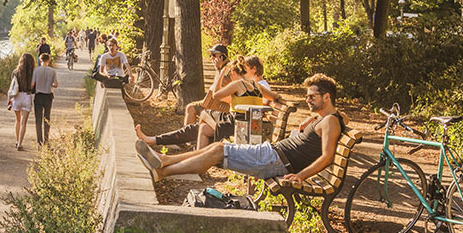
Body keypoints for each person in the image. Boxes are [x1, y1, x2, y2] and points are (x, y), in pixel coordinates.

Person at [137, 74, 344, 184]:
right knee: (217, 145)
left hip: (276, 160)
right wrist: (312, 118)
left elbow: (326, 157)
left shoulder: (330, 122)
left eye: (312, 97)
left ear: (327, 97)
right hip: (272, 153)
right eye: (307, 96)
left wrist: (301, 176)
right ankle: (164, 162)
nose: (307, 100)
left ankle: (163, 170)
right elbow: (340, 116)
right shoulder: (327, 117)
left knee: (218, 152)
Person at [137, 55, 281, 150]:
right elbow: (274, 96)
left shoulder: (238, 84)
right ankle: (190, 153)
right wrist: (279, 102)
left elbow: (216, 95)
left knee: (204, 115)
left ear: (232, 73)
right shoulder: (257, 86)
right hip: (245, 123)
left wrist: (219, 76)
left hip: (235, 123)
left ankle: (157, 141)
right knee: (202, 128)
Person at [8, 53, 36, 149]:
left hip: (17, 96)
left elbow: (12, 87)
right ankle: (20, 143)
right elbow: (34, 88)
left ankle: (16, 140)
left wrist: (9, 99)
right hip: (27, 96)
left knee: (18, 120)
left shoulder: (15, 72)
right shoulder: (33, 72)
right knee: (24, 122)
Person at [32, 52, 59, 145]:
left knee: (38, 119)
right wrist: (50, 85)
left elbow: (32, 85)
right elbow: (56, 84)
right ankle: (46, 140)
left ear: (40, 60)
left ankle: (39, 141)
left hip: (38, 95)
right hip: (48, 96)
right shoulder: (52, 71)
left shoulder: (36, 70)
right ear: (48, 60)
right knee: (47, 118)